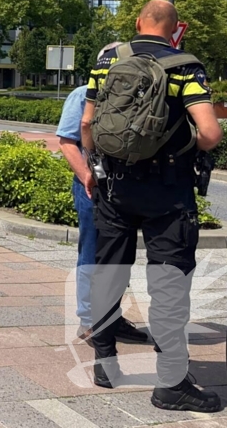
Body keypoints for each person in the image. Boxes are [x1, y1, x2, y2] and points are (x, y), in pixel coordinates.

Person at [81, 0, 223, 412]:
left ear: (138, 22)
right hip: (168, 191)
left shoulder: (108, 60)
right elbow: (210, 133)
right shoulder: (185, 66)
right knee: (169, 284)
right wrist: (182, 146)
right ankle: (171, 384)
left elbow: (87, 124)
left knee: (108, 271)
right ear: (174, 29)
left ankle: (105, 364)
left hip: (113, 186)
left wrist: (95, 166)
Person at [56, 42, 148, 349]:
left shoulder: (139, 96)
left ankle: (111, 315)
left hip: (126, 186)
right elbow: (67, 141)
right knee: (93, 252)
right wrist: (86, 174)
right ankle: (88, 320)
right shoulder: (82, 94)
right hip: (91, 186)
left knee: (119, 256)